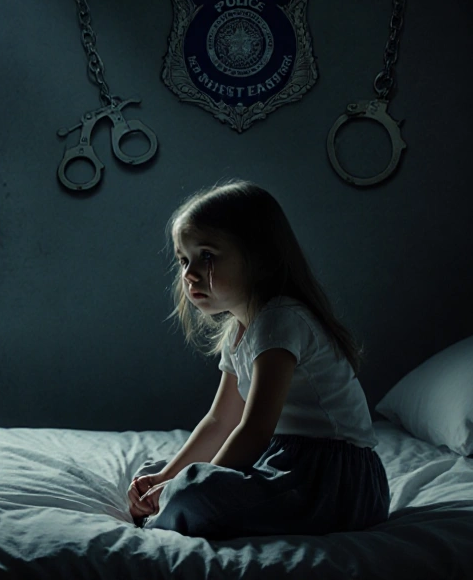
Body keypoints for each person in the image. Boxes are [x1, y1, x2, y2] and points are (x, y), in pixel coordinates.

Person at [126, 180, 390, 539]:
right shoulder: (239, 330)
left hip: (336, 482)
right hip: (289, 464)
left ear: (259, 256)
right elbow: (220, 420)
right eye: (184, 259)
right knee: (155, 471)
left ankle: (169, 513)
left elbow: (255, 429)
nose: (189, 274)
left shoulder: (281, 320)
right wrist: (166, 478)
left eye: (206, 256)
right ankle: (171, 497)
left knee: (195, 491)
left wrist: (197, 482)